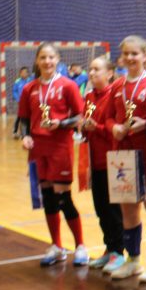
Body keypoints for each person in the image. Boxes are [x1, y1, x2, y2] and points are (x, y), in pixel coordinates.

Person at [17, 43, 88, 267]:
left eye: (51, 57)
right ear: (37, 61)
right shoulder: (29, 88)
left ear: (57, 59)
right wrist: (25, 136)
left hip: (60, 146)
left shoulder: (68, 85)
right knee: (48, 198)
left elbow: (80, 117)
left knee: (63, 197)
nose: (47, 61)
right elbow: (24, 119)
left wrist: (61, 123)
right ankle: (57, 246)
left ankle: (80, 246)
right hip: (39, 148)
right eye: (43, 58)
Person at [104, 35, 146, 283]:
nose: (130, 58)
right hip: (123, 154)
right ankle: (133, 260)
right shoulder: (117, 85)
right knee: (129, 208)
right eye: (126, 54)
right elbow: (108, 117)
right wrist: (114, 128)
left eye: (134, 53)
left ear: (145, 56)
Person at [81, 56, 125, 273]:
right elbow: (85, 126)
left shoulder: (115, 96)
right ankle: (109, 248)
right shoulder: (89, 96)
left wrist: (96, 127)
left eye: (96, 69)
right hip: (95, 161)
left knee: (114, 210)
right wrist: (83, 126)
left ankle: (119, 252)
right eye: (90, 69)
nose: (92, 73)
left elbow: (116, 129)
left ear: (109, 73)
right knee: (101, 209)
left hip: (113, 160)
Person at [12, 66, 33, 137]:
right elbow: (14, 91)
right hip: (21, 102)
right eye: (22, 72)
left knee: (29, 117)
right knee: (19, 117)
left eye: (25, 72)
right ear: (20, 73)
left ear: (27, 73)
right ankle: (15, 132)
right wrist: (18, 99)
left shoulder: (31, 81)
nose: (23, 74)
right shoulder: (17, 81)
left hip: (29, 102)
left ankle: (27, 132)